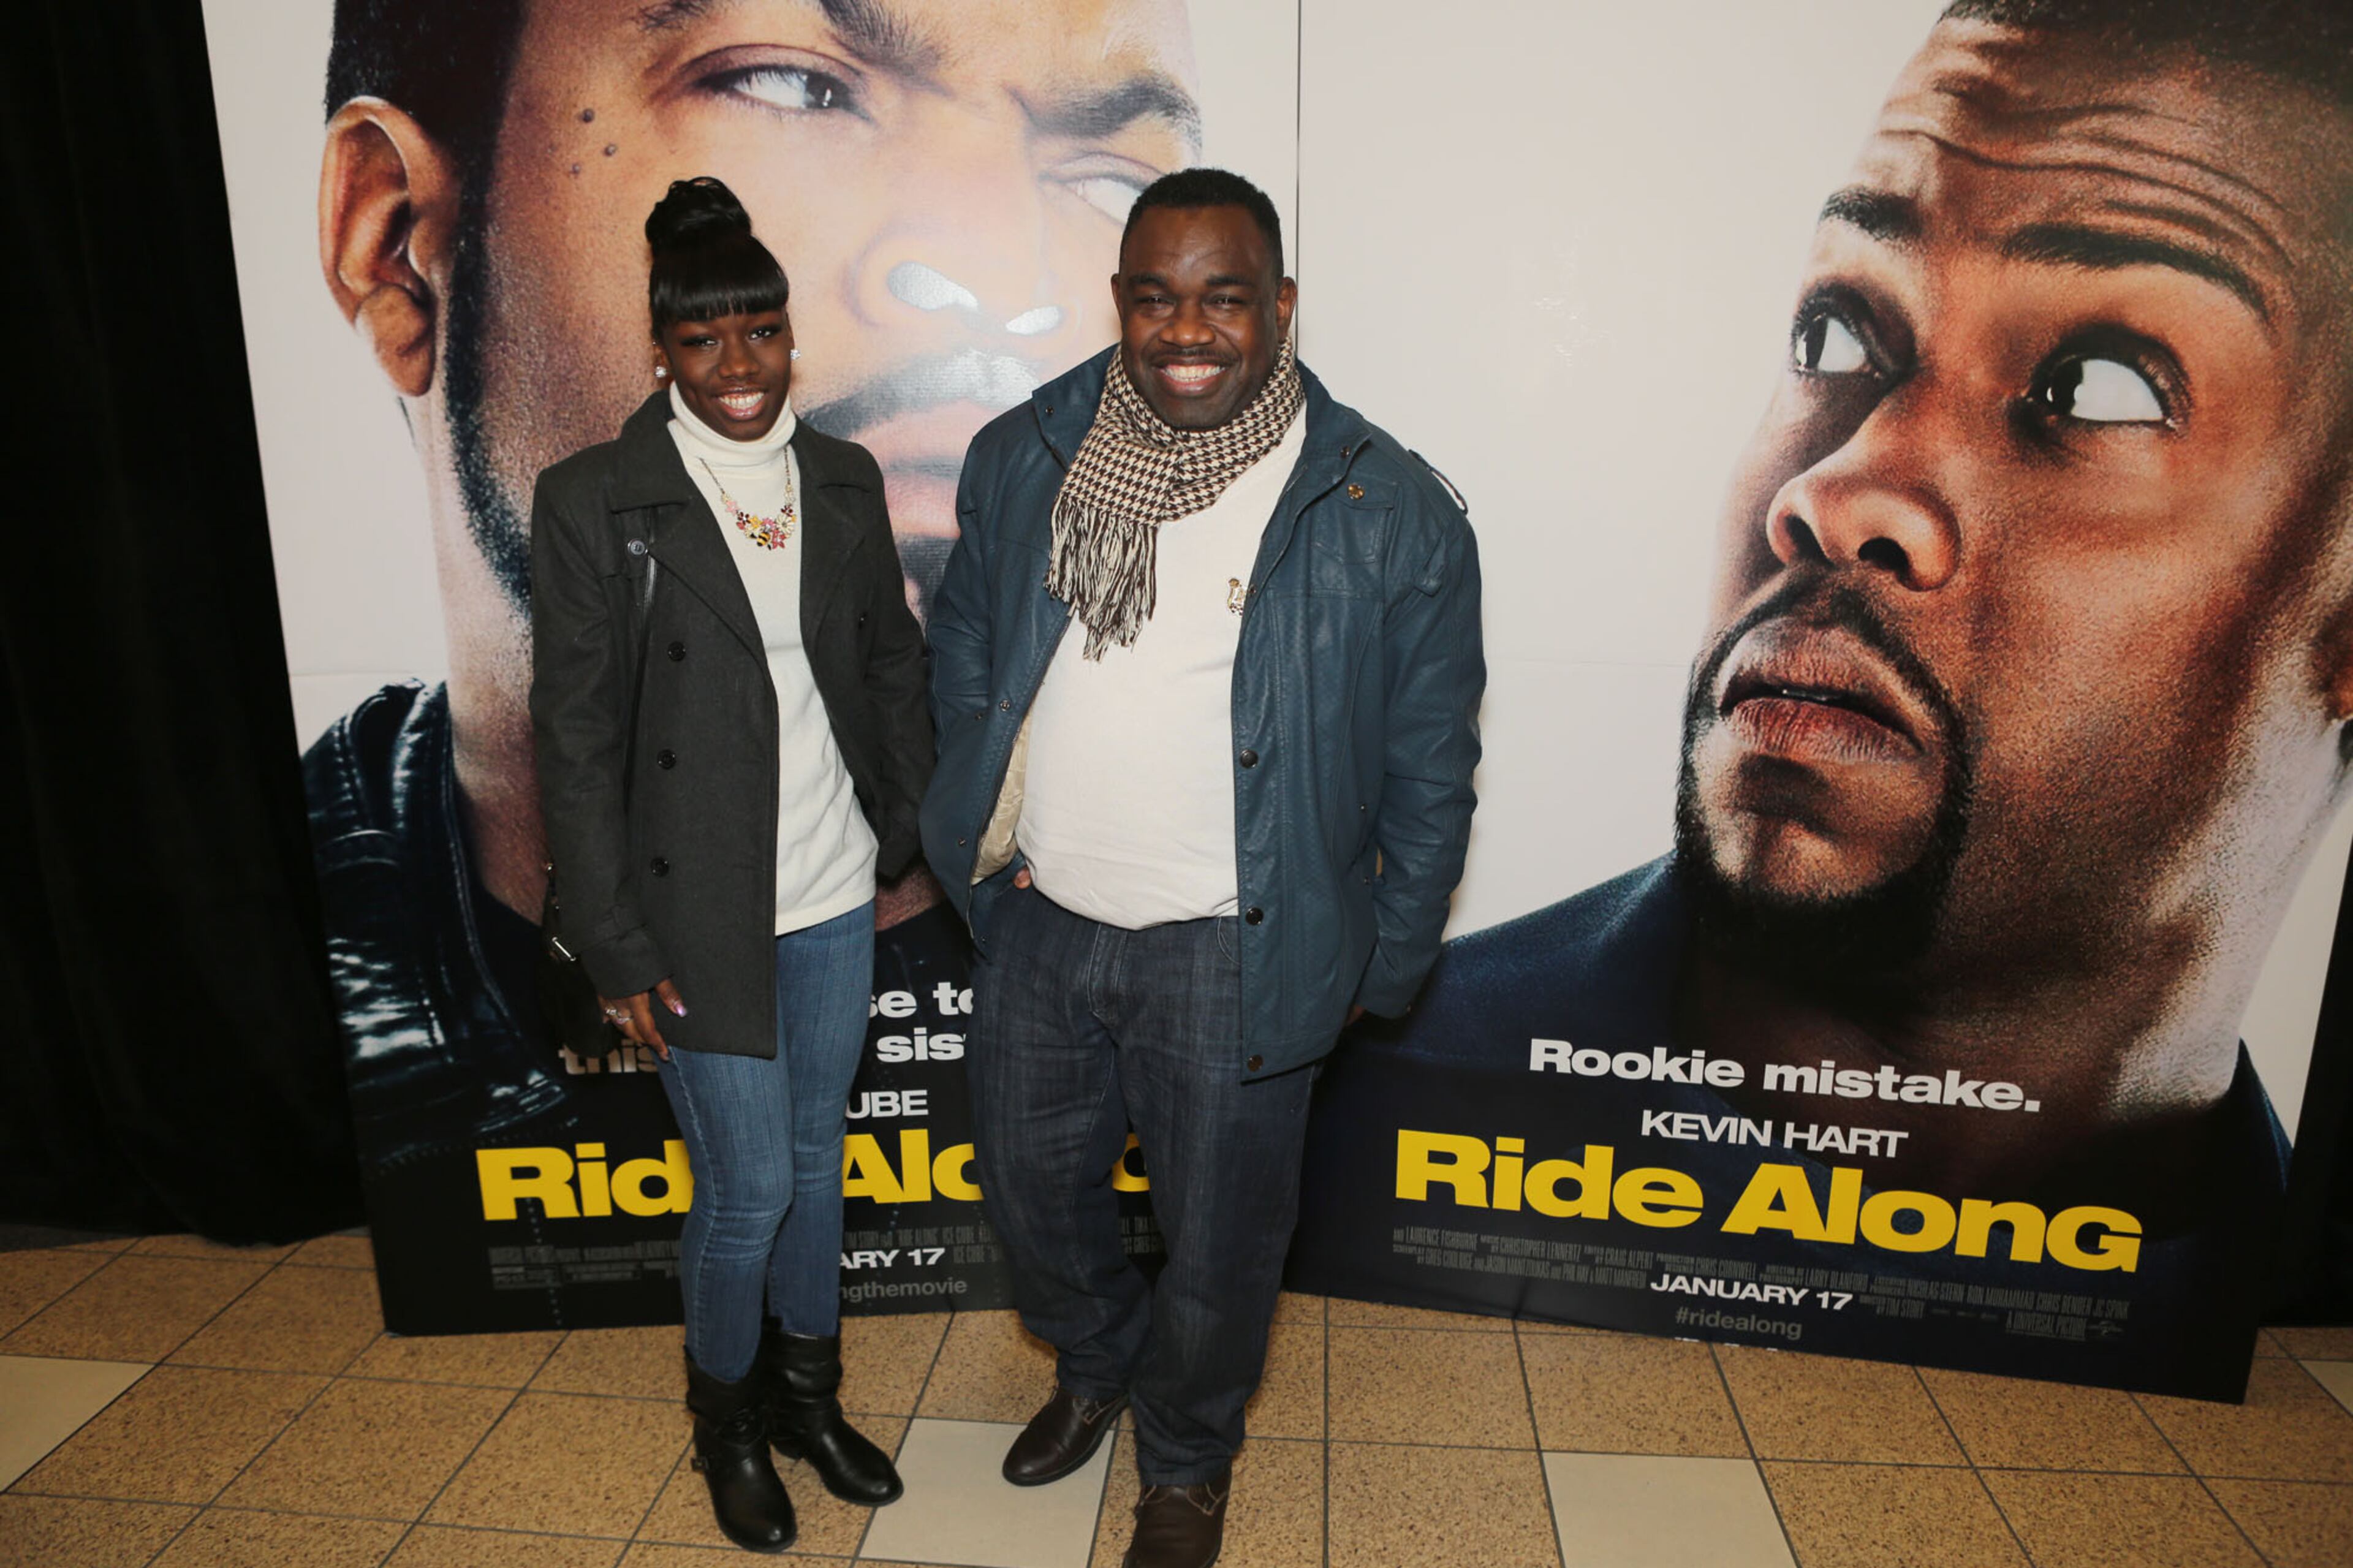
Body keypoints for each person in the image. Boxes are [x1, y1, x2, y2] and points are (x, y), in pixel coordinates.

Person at [1294, 0, 2353, 1396]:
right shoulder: (1358, 1112)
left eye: (2093, 387)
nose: (1839, 493)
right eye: (1841, 331)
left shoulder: (2235, 1295)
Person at [309, 0, 1203, 1181]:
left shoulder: (1171, 944)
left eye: (1100, 171)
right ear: (396, 250)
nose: (1003, 281)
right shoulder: (293, 966)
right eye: (793, 86)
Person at [923, 167, 1484, 1568]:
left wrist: (1384, 959)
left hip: (1240, 945)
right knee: (1031, 1195)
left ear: (1279, 307)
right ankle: (1099, 1358)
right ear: (1120, 304)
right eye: (1157, 297)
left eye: (1224, 298)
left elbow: (1430, 770)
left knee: (1227, 1245)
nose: (1189, 329)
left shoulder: (1387, 506)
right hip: (1046, 918)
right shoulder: (1028, 453)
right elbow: (969, 659)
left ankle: (1185, 1454)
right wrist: (982, 851)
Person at [531, 177, 930, 1551]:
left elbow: (887, 662)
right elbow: (572, 740)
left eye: (761, 333)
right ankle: (729, 1425)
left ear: (787, 336)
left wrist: (908, 827)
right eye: (706, 342)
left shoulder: (843, 476)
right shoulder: (597, 499)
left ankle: (812, 1400)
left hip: (830, 892)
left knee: (817, 1168)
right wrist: (615, 943)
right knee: (748, 1186)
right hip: (689, 906)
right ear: (662, 348)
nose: (740, 368)